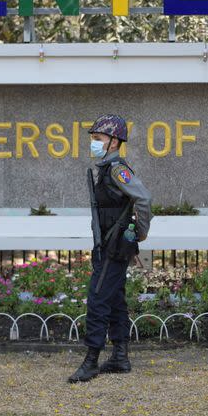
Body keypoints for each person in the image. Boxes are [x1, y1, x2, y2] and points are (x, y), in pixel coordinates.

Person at [69, 114, 153, 383]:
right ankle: (119, 356)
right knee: (115, 299)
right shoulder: (105, 168)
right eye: (93, 139)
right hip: (109, 243)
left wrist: (139, 233)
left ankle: (91, 360)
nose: (93, 143)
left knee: (97, 298)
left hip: (116, 245)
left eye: (98, 139)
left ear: (114, 141)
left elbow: (143, 198)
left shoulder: (117, 169)